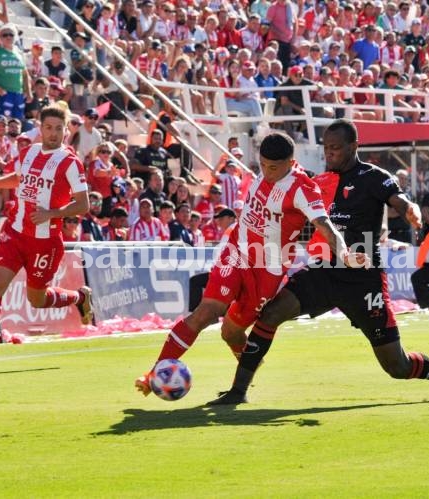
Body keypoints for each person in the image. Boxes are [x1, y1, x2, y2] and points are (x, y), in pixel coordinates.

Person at [209, 120, 429, 406]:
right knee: (270, 315)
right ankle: (238, 392)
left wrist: (411, 211)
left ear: (354, 146)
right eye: (326, 148)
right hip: (323, 270)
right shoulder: (319, 181)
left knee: (396, 365)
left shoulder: (373, 176)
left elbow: (399, 200)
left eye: (336, 148)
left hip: (363, 279)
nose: (330, 153)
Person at [135, 131, 367, 396]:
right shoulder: (268, 168)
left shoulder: (302, 188)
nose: (267, 173)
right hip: (236, 250)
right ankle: (155, 374)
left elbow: (324, 224)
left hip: (266, 270)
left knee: (230, 332)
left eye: (274, 168)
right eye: (263, 165)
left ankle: (246, 371)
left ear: (290, 163)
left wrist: (346, 254)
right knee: (205, 311)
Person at [0, 106, 93, 372]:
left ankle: (79, 297)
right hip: (15, 234)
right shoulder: (29, 151)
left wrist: (53, 213)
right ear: (40, 129)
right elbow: (19, 178)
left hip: (45, 242)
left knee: (37, 299)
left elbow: (83, 204)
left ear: (66, 131)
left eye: (58, 128)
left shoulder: (70, 162)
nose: (53, 133)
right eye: (48, 127)